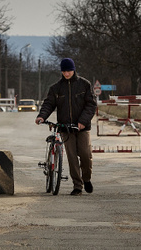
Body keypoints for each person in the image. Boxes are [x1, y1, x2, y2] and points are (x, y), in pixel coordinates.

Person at [35, 58, 97, 195]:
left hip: (82, 127)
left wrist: (82, 122)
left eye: (68, 71)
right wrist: (41, 116)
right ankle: (77, 186)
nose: (66, 73)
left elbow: (91, 105)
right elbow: (48, 104)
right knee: (72, 157)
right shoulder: (56, 88)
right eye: (64, 71)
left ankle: (86, 179)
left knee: (86, 155)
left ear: (74, 70)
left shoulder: (84, 85)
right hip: (65, 128)